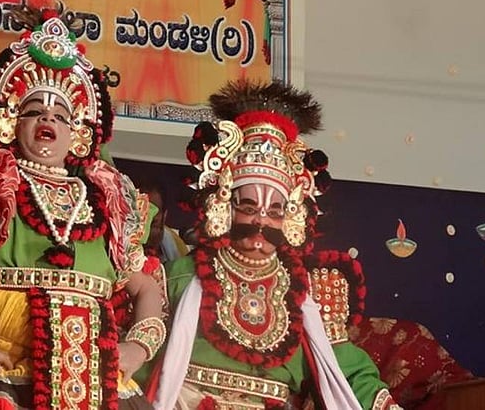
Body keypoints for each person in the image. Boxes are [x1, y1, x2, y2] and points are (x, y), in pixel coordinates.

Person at [0, 7, 165, 410]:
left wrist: (137, 348)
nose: (47, 120)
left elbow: (147, 287)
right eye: (34, 110)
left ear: (76, 134)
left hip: (98, 390)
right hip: (2, 384)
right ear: (9, 123)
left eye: (60, 115)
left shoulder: (107, 201)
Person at [148, 81, 401, 410]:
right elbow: (143, 359)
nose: (261, 223)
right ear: (225, 206)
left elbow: (349, 373)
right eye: (249, 207)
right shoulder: (180, 278)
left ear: (292, 217)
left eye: (275, 211)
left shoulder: (307, 297)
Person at [131, 176, 190, 264]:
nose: (149, 216)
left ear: (164, 215)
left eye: (154, 210)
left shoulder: (178, 248)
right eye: (143, 210)